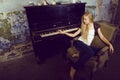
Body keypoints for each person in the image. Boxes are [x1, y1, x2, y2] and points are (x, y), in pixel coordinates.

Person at [58, 12, 114, 80]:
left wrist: (109, 44)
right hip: (79, 43)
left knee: (97, 50)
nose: (84, 21)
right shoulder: (83, 25)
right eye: (83, 19)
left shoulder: (96, 26)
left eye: (85, 19)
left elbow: (102, 37)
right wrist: (64, 32)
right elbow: (73, 35)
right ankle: (74, 67)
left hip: (86, 46)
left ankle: (79, 54)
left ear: (90, 19)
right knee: (90, 52)